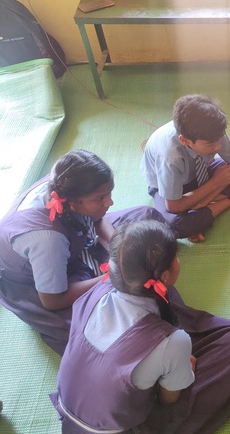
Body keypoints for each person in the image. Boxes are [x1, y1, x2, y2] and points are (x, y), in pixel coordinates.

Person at [50, 220, 230, 434]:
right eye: (176, 258)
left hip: (70, 412)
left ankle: (168, 358)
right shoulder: (173, 343)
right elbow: (169, 400)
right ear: (164, 275)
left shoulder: (95, 292)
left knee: (171, 312)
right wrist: (178, 362)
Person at [0, 150, 163, 355]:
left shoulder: (64, 179)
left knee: (147, 216)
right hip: (37, 282)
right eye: (101, 198)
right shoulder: (47, 239)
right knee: (100, 331)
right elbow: (52, 300)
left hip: (77, 237)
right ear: (72, 202)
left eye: (109, 194)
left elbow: (98, 218)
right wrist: (111, 276)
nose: (110, 202)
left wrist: (120, 247)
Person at [142, 94, 230, 243]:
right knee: (174, 226)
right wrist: (216, 183)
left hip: (201, 172)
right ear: (185, 140)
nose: (218, 147)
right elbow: (174, 206)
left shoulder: (213, 130)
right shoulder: (170, 156)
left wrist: (208, 197)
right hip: (169, 189)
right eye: (210, 144)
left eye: (219, 139)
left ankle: (204, 209)